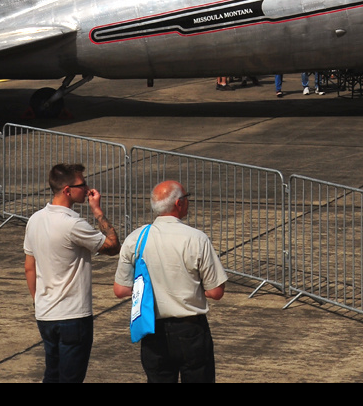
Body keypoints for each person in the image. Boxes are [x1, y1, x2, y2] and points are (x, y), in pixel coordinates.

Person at [113, 180, 229, 383]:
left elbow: (121, 289)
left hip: (152, 328)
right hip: (190, 330)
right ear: (179, 203)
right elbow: (216, 291)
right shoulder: (196, 239)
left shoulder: (136, 239)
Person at [24, 163, 121, 383]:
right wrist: (98, 211)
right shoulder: (73, 224)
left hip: (46, 313)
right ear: (68, 190)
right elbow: (113, 246)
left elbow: (29, 266)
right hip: (73, 316)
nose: (87, 189)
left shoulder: (35, 220)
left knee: (52, 373)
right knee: (71, 378)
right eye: (82, 184)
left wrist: (38, 301)